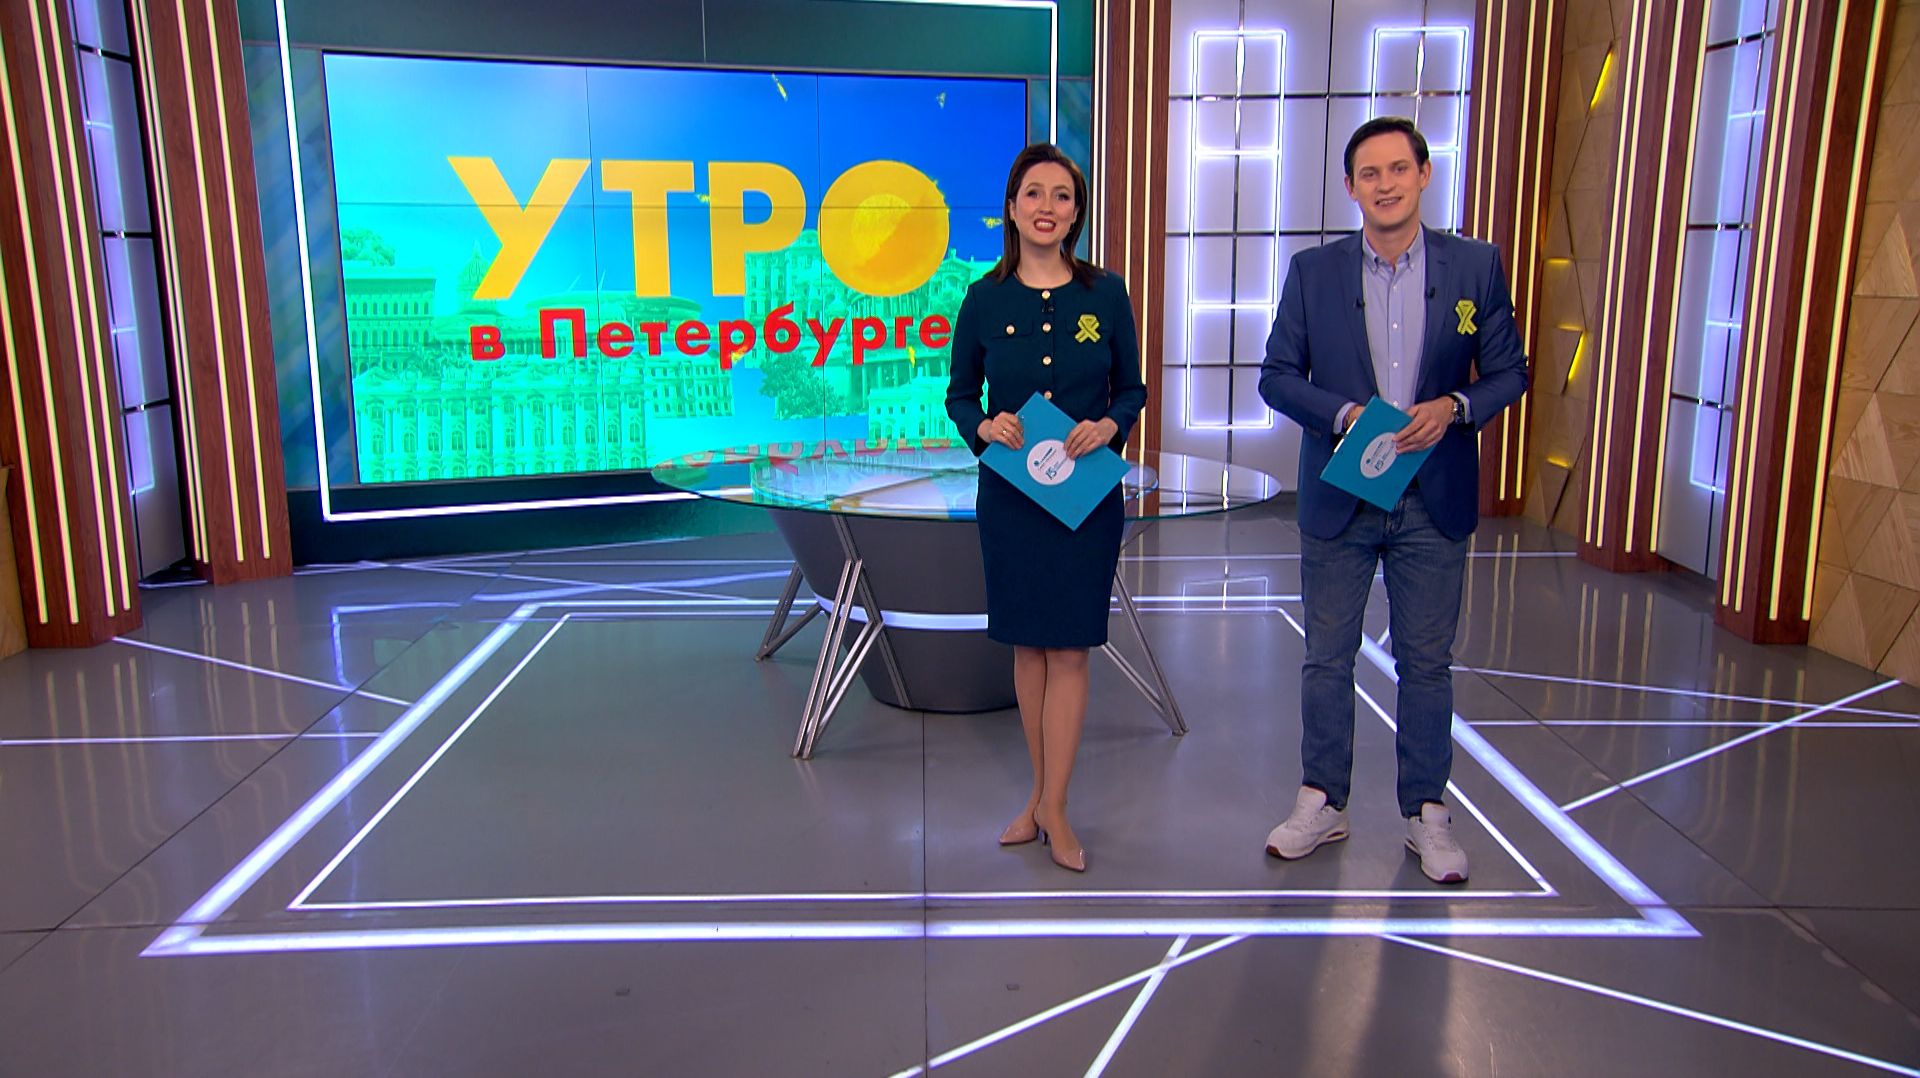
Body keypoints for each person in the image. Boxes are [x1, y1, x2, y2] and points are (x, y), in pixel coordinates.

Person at [1257, 117, 1529, 883]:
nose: (1385, 184)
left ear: (1424, 174)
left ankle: (1427, 814)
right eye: (1369, 174)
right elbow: (1277, 376)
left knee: (1427, 663)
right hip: (1342, 492)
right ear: (1351, 187)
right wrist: (1344, 414)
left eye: (1398, 169)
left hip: (1432, 495)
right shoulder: (1314, 272)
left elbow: (1510, 371)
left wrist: (1456, 407)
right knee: (1326, 657)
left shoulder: (1475, 265)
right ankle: (1322, 800)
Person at [945, 143, 1147, 873]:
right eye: (1033, 193)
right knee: (1028, 648)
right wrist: (983, 427)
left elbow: (1132, 388)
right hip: (1011, 497)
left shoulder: (1107, 294)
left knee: (1069, 648)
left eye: (1062, 196)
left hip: (1085, 496)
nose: (1046, 207)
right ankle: (1038, 796)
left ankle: (1054, 807)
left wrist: (1110, 425)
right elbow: (959, 395)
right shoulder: (983, 298)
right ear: (1011, 207)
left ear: (1076, 212)